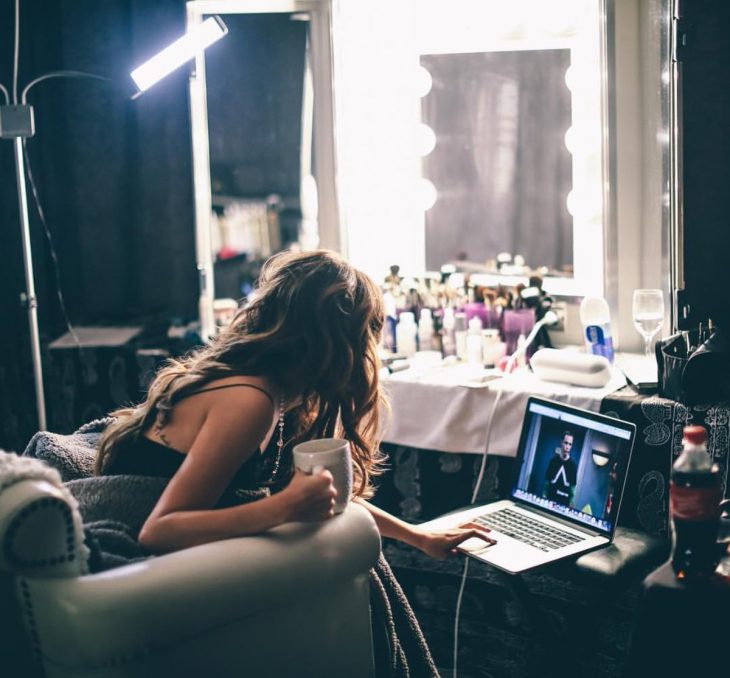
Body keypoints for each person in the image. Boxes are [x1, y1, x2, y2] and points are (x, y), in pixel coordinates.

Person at [96, 249, 492, 559]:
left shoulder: (279, 393)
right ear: (339, 344)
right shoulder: (249, 400)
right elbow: (159, 531)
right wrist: (284, 508)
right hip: (128, 540)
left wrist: (418, 536)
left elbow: (322, 500)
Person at [543, 430, 577, 507]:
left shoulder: (573, 466)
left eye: (570, 444)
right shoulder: (553, 461)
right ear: (561, 442)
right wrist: (544, 497)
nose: (567, 447)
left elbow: (572, 489)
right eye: (566, 443)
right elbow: (546, 484)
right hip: (549, 501)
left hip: (563, 504)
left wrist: (571, 503)